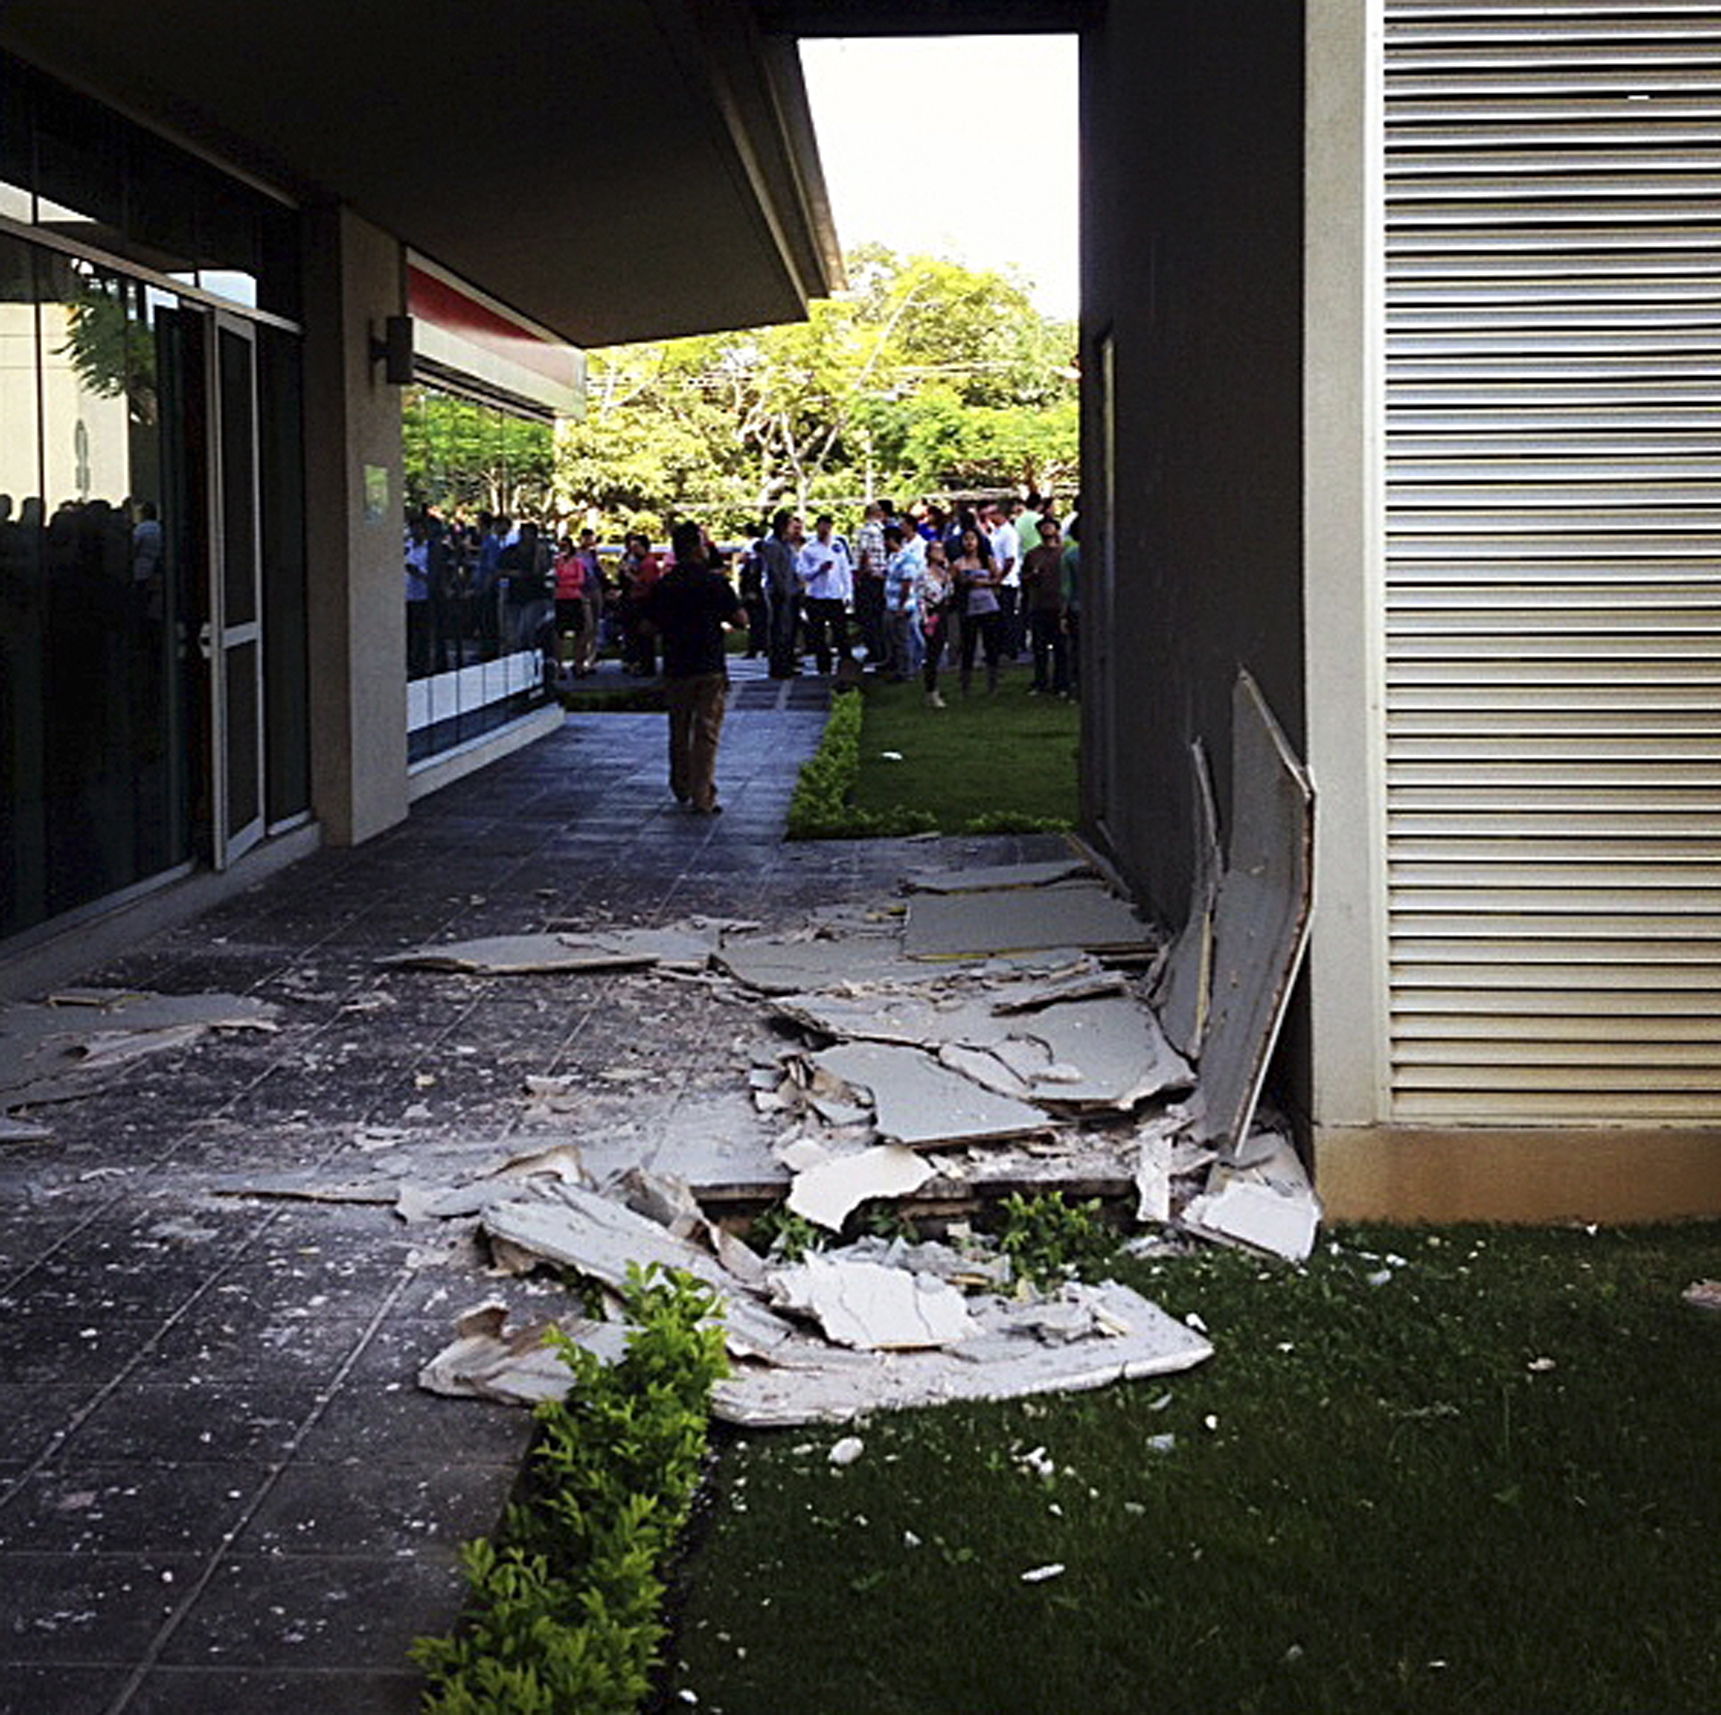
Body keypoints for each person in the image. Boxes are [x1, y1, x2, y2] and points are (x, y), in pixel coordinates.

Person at [638, 519, 744, 815]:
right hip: (709, 663)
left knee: (679, 728)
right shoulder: (714, 583)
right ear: (697, 549)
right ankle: (702, 794)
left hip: (677, 664)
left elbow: (647, 626)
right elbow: (740, 620)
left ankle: (681, 784)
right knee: (706, 730)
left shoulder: (664, 586)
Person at [796, 513, 853, 677]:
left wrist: (848, 593)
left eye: (828, 526)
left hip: (835, 595)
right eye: (822, 526)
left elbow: (845, 570)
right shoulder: (808, 549)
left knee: (841, 632)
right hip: (816, 596)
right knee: (818, 634)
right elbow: (802, 573)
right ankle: (824, 667)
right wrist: (818, 569)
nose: (825, 530)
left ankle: (847, 665)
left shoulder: (838, 546)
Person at [1020, 515, 1071, 696]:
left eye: (1050, 526)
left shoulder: (1064, 553)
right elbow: (1023, 578)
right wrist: (1032, 576)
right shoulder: (1033, 554)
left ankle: (1061, 683)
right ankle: (1040, 682)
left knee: (1061, 647)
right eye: (1044, 527)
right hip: (1039, 604)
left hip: (1059, 604)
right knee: (1039, 647)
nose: (1047, 530)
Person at [952, 524, 1004, 695]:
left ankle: (993, 682)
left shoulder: (987, 560)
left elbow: (998, 579)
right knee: (968, 645)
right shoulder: (958, 563)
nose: (969, 543)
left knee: (991, 645)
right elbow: (952, 584)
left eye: (972, 539)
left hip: (989, 606)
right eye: (966, 539)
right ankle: (965, 684)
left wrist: (984, 583)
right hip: (969, 607)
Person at [914, 537, 955, 708]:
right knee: (932, 652)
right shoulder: (923, 574)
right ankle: (931, 690)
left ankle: (934, 687)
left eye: (942, 550)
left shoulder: (945, 573)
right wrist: (925, 619)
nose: (940, 553)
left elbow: (950, 593)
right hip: (930, 615)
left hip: (943, 612)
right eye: (936, 550)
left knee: (939, 650)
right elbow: (923, 598)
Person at [760, 510, 802, 677]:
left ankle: (788, 661)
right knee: (780, 630)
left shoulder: (787, 544)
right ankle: (778, 665)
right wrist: (783, 589)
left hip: (792, 590)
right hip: (779, 593)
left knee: (790, 629)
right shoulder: (772, 544)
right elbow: (775, 571)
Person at [880, 523, 919, 683]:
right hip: (890, 604)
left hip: (901, 606)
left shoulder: (907, 559)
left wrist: (902, 606)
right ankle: (896, 667)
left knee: (903, 640)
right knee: (893, 639)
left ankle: (907, 671)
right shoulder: (892, 558)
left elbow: (906, 583)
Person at [853, 500, 888, 668]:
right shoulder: (883, 531)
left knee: (868, 616)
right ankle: (881, 649)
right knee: (879, 615)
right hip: (881, 576)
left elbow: (864, 554)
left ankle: (874, 650)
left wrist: (859, 575)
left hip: (869, 577)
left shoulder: (866, 531)